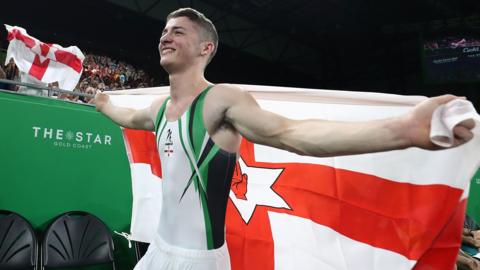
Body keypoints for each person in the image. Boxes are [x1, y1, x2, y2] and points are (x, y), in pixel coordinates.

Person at [95, 7, 475, 270]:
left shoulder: (220, 101)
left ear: (205, 48)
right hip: (158, 252)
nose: (165, 36)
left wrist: (404, 129)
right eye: (164, 30)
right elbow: (125, 115)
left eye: (178, 31)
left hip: (197, 261)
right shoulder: (161, 109)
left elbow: (293, 134)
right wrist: (101, 102)